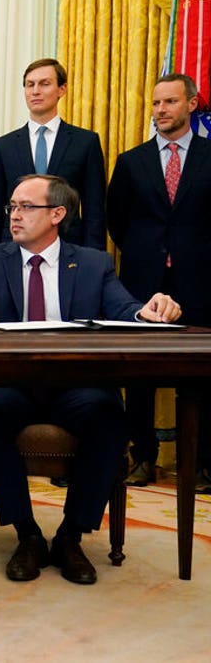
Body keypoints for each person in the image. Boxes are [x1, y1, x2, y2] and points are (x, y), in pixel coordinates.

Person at [0, 174, 181, 585]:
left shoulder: (92, 262)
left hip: (76, 384)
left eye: (26, 207)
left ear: (57, 214)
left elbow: (125, 308)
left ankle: (70, 537)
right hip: (12, 383)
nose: (15, 216)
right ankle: (28, 535)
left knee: (109, 416)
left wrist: (151, 310)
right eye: (12, 207)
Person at [107, 73, 211, 492]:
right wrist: (144, 254)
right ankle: (143, 457)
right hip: (142, 283)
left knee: (202, 377)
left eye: (169, 102)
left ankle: (201, 464)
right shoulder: (131, 161)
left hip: (201, 282)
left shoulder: (209, 155)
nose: (161, 110)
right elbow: (117, 220)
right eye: (155, 104)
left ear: (191, 104)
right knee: (140, 375)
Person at [0, 59, 106, 249]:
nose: (35, 91)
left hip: (69, 248)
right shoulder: (3, 146)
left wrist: (94, 261)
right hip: (14, 248)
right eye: (30, 85)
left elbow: (94, 211)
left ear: (61, 89)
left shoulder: (85, 143)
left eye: (44, 84)